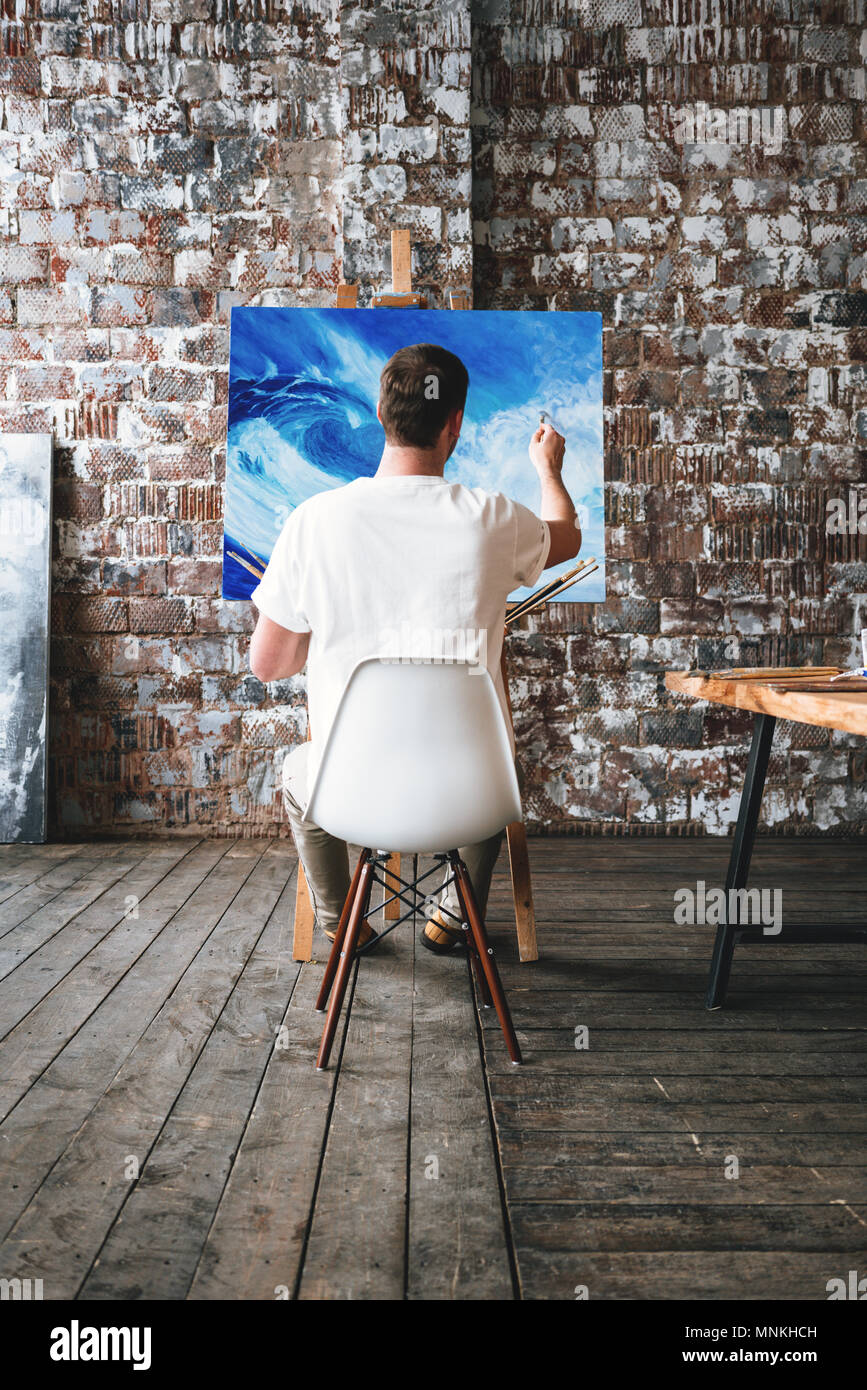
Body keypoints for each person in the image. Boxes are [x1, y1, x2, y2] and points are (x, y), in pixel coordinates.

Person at [249, 342, 580, 953]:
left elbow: (270, 664)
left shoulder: (312, 522)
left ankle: (340, 924)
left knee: (300, 772)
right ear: (455, 423)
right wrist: (548, 471)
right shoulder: (495, 519)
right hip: (467, 792)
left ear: (380, 412)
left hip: (351, 790)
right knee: (497, 756)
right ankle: (453, 918)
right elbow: (569, 536)